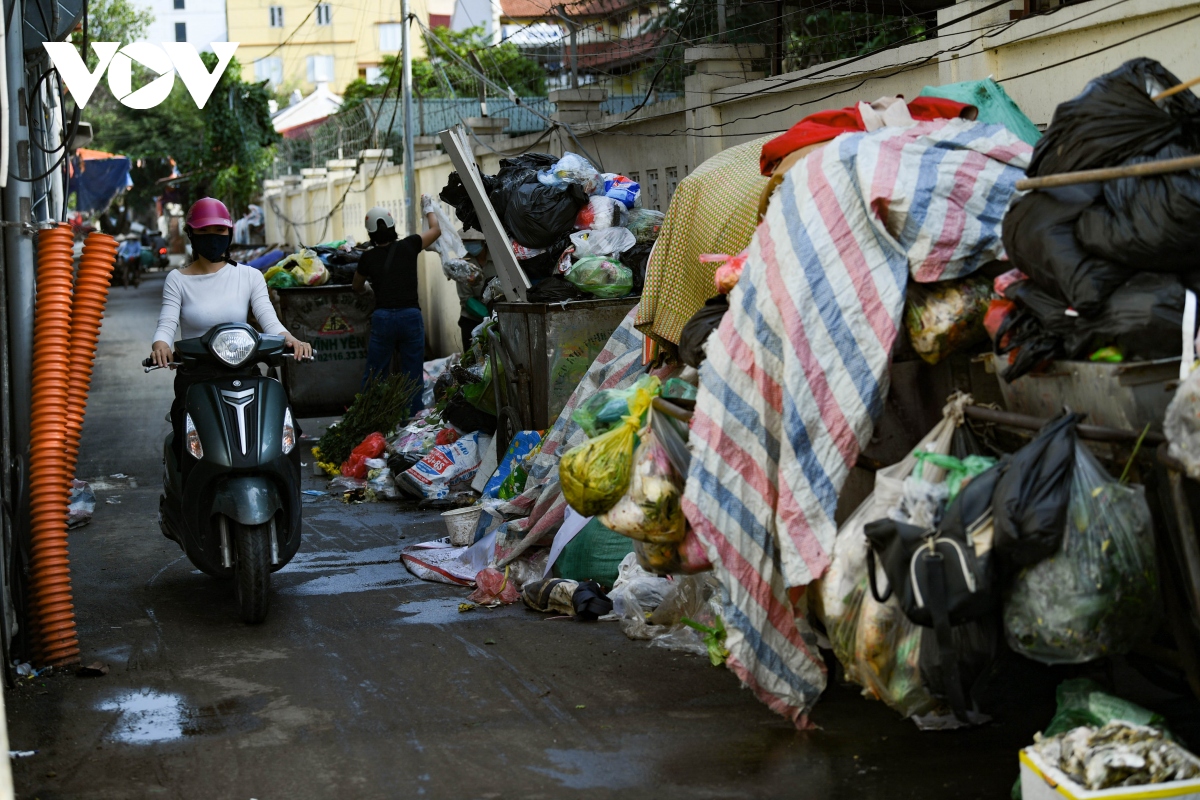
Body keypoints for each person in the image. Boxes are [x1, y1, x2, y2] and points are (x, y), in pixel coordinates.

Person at [150, 197, 313, 460]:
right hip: (196, 375)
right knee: (188, 444)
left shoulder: (249, 276)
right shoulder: (177, 280)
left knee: (281, 432)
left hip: (244, 370)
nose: (212, 237)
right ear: (191, 234)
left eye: (219, 231)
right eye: (203, 231)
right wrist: (161, 346)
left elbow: (269, 321)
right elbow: (167, 322)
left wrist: (291, 340)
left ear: (229, 234)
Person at [353, 195, 441, 413]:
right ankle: (410, 421)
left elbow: (356, 286)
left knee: (375, 372)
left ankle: (370, 417)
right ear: (392, 226)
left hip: (383, 319)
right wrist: (428, 207)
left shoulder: (367, 258)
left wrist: (368, 289)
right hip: (410, 317)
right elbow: (436, 230)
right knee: (412, 374)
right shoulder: (410, 244)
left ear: (370, 233)